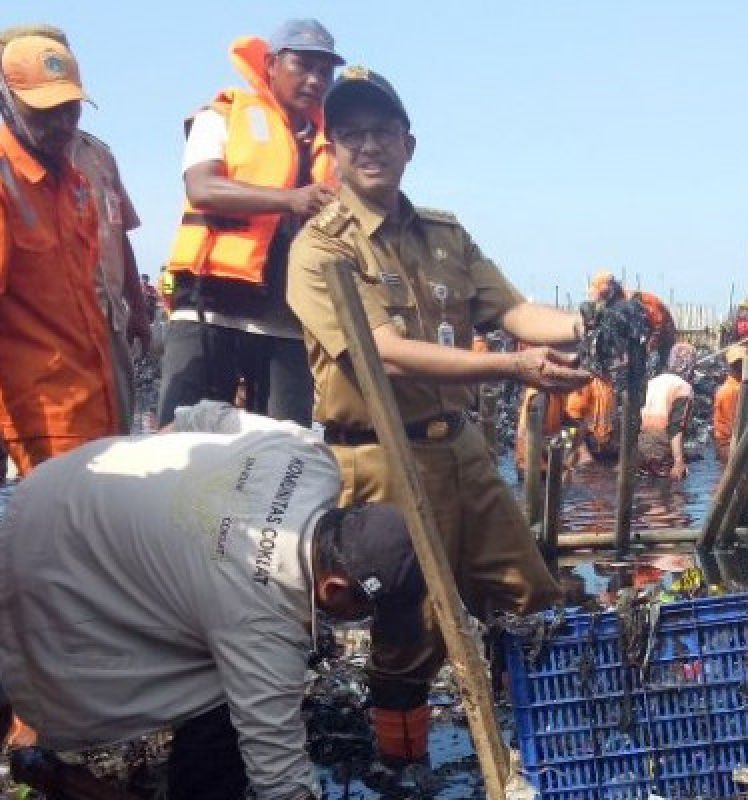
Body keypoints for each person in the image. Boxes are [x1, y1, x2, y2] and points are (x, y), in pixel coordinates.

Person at [286, 67, 591, 766]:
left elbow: (514, 312)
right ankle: (404, 770)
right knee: (410, 630)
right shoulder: (320, 248)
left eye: (382, 131)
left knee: (530, 595)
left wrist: (589, 321)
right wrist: (515, 367)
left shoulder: (445, 236)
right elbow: (383, 356)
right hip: (379, 456)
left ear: (408, 144)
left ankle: (548, 751)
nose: (369, 145)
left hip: (461, 448)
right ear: (333, 151)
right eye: (353, 134)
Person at [0, 401, 426, 800]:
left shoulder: (310, 458)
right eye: (365, 613)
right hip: (45, 571)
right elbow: (279, 777)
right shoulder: (261, 621)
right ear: (333, 588)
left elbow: (200, 415)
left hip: (59, 481)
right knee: (227, 712)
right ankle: (57, 765)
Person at [158, 19, 344, 427]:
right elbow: (202, 187)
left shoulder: (335, 144)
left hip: (289, 321)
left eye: (324, 71)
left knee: (285, 452)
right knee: (182, 442)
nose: (315, 79)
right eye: (303, 65)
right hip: (211, 308)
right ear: (272, 64)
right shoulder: (222, 115)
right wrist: (292, 200)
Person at [0, 25, 149, 433]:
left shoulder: (91, 163)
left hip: (102, 334)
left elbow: (119, 236)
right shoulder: (9, 171)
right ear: (9, 99)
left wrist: (138, 311)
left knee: (111, 449)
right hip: (38, 366)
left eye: (70, 106)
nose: (61, 122)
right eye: (44, 110)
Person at [589, 270, 677, 372]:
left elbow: (659, 326)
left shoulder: (643, 301)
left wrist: (647, 348)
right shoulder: (612, 306)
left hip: (661, 344)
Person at [639, 342, 696, 480]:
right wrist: (678, 462)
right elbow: (676, 427)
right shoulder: (684, 388)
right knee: (668, 496)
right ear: (690, 365)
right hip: (662, 447)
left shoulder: (653, 382)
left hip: (642, 446)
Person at [565, 374, 620, 464]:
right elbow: (572, 419)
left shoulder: (608, 384)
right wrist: (580, 450)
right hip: (588, 445)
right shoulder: (586, 382)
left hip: (604, 445)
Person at [514, 386, 566, 478]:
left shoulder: (557, 393)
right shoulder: (540, 395)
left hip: (547, 460)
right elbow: (535, 435)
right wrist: (558, 458)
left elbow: (566, 421)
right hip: (532, 465)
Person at [712, 343, 747, 459]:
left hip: (732, 442)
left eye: (742, 362)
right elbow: (731, 423)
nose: (740, 366)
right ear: (731, 365)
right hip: (729, 444)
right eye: (737, 363)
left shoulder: (739, 386)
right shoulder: (730, 390)